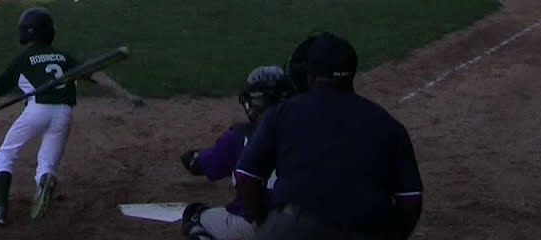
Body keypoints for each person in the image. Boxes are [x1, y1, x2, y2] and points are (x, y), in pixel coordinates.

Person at [0, 7, 143, 226]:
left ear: (27, 33)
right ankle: (45, 180)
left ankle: (0, 209)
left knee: (4, 156)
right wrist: (126, 94)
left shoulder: (24, 60)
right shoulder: (64, 57)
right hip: (64, 114)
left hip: (37, 111)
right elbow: (97, 74)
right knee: (46, 164)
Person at [234, 32, 423, 240]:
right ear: (352, 73)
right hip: (369, 228)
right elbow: (411, 200)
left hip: (296, 227)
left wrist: (265, 221)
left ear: (310, 75)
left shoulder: (282, 113)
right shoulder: (388, 124)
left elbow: (246, 178)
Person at [179, 66, 295, 240]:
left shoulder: (239, 136)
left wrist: (192, 158)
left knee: (194, 215)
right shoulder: (308, 132)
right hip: (300, 224)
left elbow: (202, 166)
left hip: (255, 224)